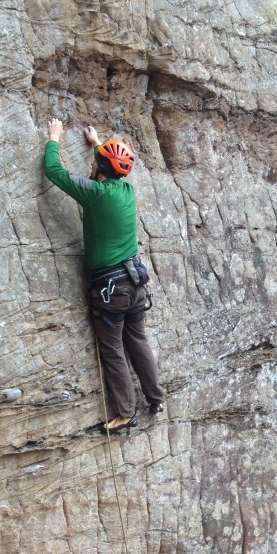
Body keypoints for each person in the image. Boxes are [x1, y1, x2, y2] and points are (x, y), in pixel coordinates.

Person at [44, 117, 165, 433]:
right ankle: (155, 397)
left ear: (101, 169)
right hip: (136, 284)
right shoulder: (126, 189)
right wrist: (97, 143)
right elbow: (112, 165)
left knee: (113, 350)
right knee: (137, 340)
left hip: (111, 289)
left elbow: (55, 173)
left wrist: (54, 137)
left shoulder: (95, 193)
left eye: (97, 162)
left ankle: (126, 412)